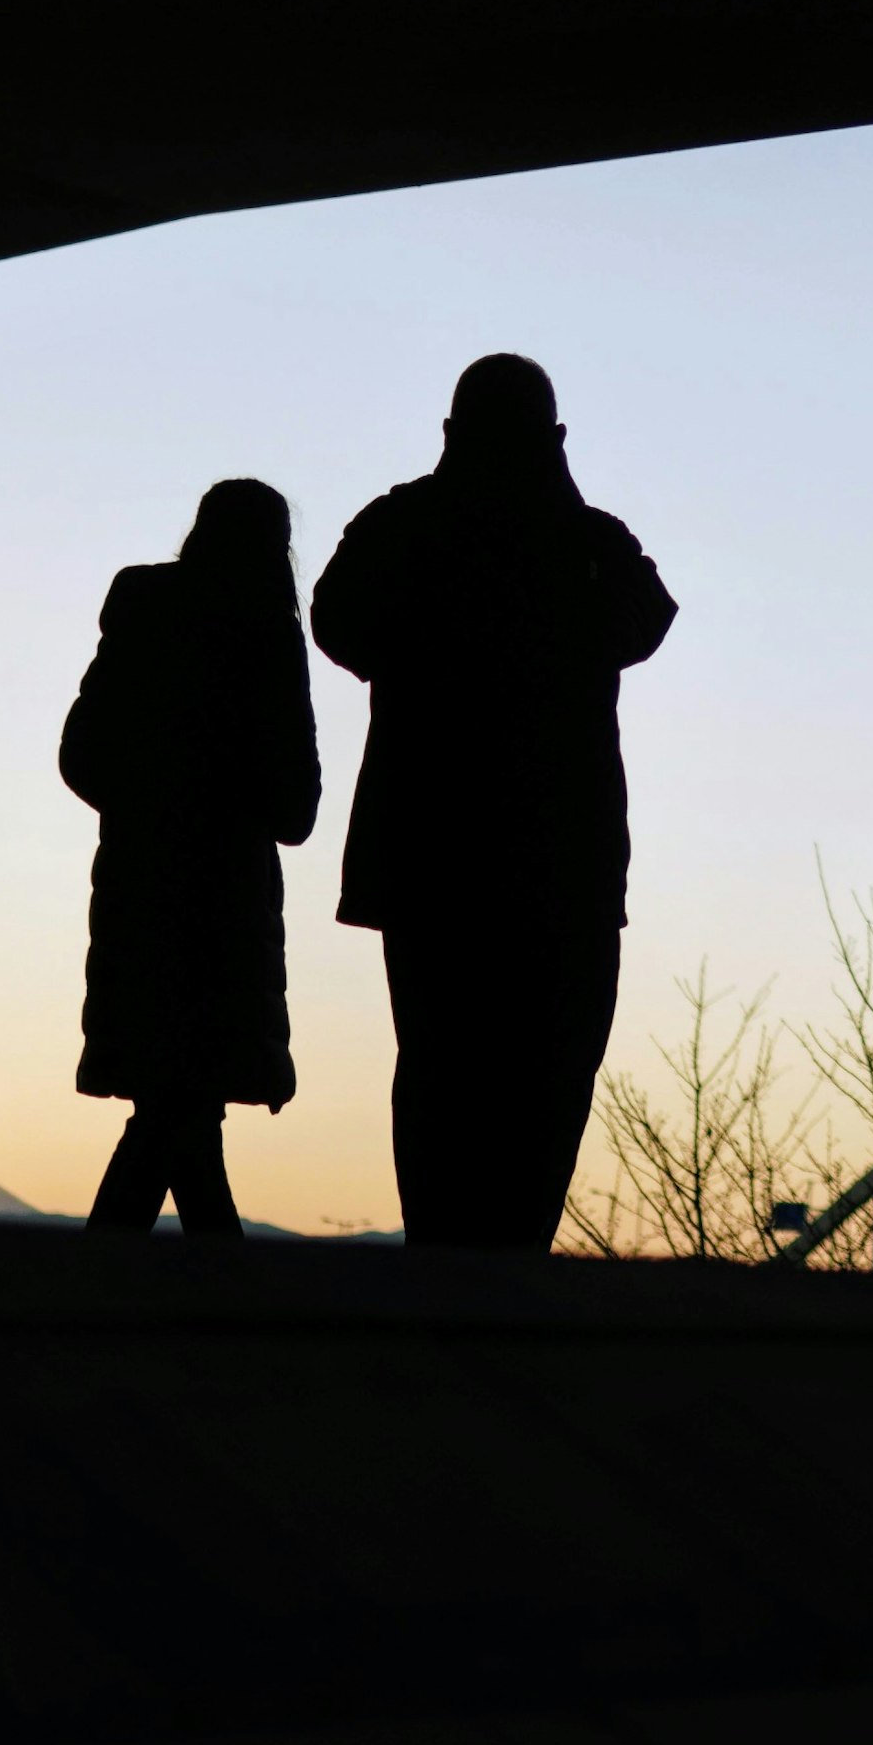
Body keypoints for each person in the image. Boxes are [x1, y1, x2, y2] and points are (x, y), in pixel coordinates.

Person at [310, 355, 676, 1250]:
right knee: (544, 1084)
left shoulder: (404, 526)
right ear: (554, 442)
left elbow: (335, 617)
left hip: (432, 856)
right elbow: (646, 618)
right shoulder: (585, 542)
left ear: (449, 436)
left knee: (440, 1076)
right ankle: (506, 1269)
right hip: (561, 866)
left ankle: (446, 1267)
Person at [58, 479, 322, 1235]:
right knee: (181, 1114)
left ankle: (159, 1310)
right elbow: (295, 807)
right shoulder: (267, 634)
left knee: (174, 1113)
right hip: (224, 916)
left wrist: (147, 810)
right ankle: (214, 1320)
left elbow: (82, 753)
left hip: (137, 898)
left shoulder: (142, 614)